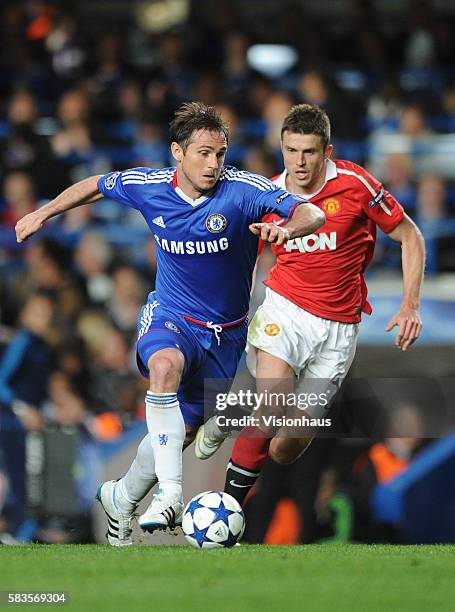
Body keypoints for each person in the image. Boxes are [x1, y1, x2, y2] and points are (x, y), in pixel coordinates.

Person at [15, 101, 325, 545]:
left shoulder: (244, 190)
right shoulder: (149, 185)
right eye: (203, 153)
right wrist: (44, 213)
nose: (214, 164)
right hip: (171, 317)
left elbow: (311, 212)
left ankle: (121, 497)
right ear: (177, 152)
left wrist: (289, 230)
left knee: (183, 431)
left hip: (226, 336)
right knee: (162, 368)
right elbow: (96, 185)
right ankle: (170, 495)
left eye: (220, 154)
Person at [195, 103, 425, 509]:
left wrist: (410, 304)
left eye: (309, 152)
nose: (299, 163)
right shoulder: (268, 193)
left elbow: (410, 236)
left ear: (328, 152)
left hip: (338, 329)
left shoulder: (356, 185)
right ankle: (226, 514)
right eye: (291, 150)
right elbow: (244, 259)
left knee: (284, 447)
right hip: (285, 309)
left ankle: (233, 415)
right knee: (271, 406)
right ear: (281, 147)